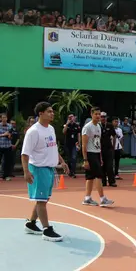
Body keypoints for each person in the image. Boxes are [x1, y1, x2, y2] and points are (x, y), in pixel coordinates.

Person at [22, 102, 69, 242]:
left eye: (52, 111)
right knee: (41, 200)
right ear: (40, 113)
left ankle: (31, 223)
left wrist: (62, 161)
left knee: (44, 198)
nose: (52, 113)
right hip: (38, 168)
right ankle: (47, 229)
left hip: (49, 168)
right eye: (49, 111)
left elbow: (53, 148)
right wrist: (26, 172)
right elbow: (25, 154)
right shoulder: (33, 131)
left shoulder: (51, 129)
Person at [82, 107, 114, 207]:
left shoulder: (99, 127)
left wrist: (99, 156)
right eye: (96, 114)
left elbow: (98, 143)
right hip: (90, 154)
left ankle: (87, 198)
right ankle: (102, 199)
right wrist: (85, 159)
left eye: (99, 114)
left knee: (90, 177)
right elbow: (84, 144)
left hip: (96, 153)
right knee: (99, 176)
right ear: (91, 114)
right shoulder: (88, 127)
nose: (98, 116)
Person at [100, 112, 117, 187]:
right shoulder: (97, 125)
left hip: (109, 148)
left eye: (104, 117)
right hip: (100, 149)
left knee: (109, 166)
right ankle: (103, 182)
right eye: (102, 117)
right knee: (102, 166)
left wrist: (113, 146)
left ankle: (112, 181)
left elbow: (114, 136)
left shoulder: (110, 125)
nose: (103, 118)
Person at [63, 114, 81, 178]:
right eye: (69, 117)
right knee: (69, 159)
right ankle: (70, 171)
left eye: (72, 117)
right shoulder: (66, 125)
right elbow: (64, 132)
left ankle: (73, 172)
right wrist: (67, 124)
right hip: (68, 144)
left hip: (74, 144)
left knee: (74, 158)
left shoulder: (77, 126)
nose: (71, 118)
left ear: (74, 118)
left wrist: (79, 143)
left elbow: (79, 135)